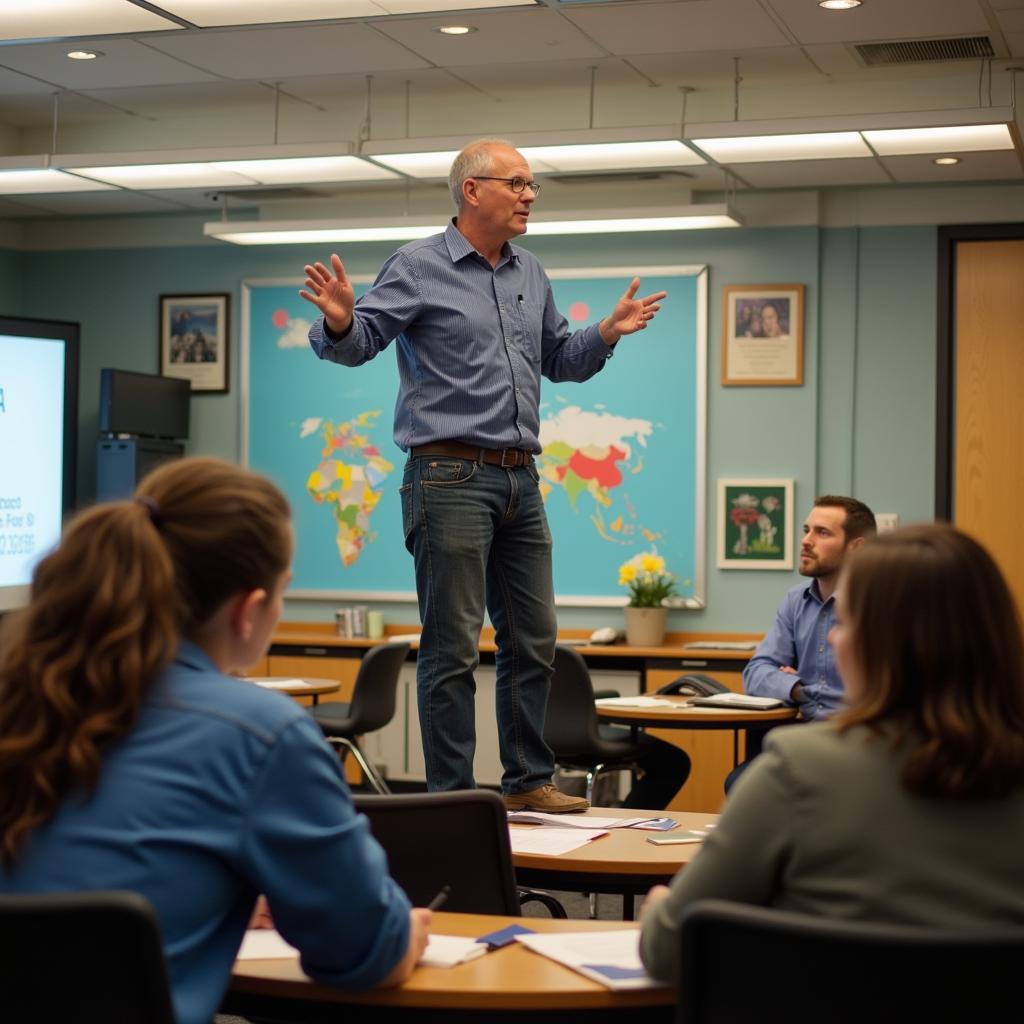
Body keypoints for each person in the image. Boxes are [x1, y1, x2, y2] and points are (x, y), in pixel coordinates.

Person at [301, 138, 667, 812]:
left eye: (533, 185)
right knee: (453, 648)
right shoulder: (417, 266)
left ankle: (527, 780)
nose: (531, 196)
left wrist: (608, 333)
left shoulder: (531, 271)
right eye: (518, 183)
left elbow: (562, 359)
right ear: (473, 190)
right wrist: (342, 320)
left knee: (534, 639)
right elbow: (361, 343)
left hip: (520, 480)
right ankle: (451, 800)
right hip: (447, 476)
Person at [0, 458, 429, 1024]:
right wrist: (405, 934)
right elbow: (363, 952)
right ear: (249, 611)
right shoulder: (261, 734)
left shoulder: (24, 697)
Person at [640, 523, 1024, 982]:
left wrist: (661, 907)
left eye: (847, 623)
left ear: (876, 642)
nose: (835, 640)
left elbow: (670, 949)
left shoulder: (797, 770)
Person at [723, 495, 876, 792]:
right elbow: (756, 672)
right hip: (807, 734)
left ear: (857, 548)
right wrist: (794, 688)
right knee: (741, 782)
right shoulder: (796, 600)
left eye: (822, 533)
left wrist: (796, 683)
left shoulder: (879, 603)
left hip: (859, 738)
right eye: (807, 530)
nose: (806, 541)